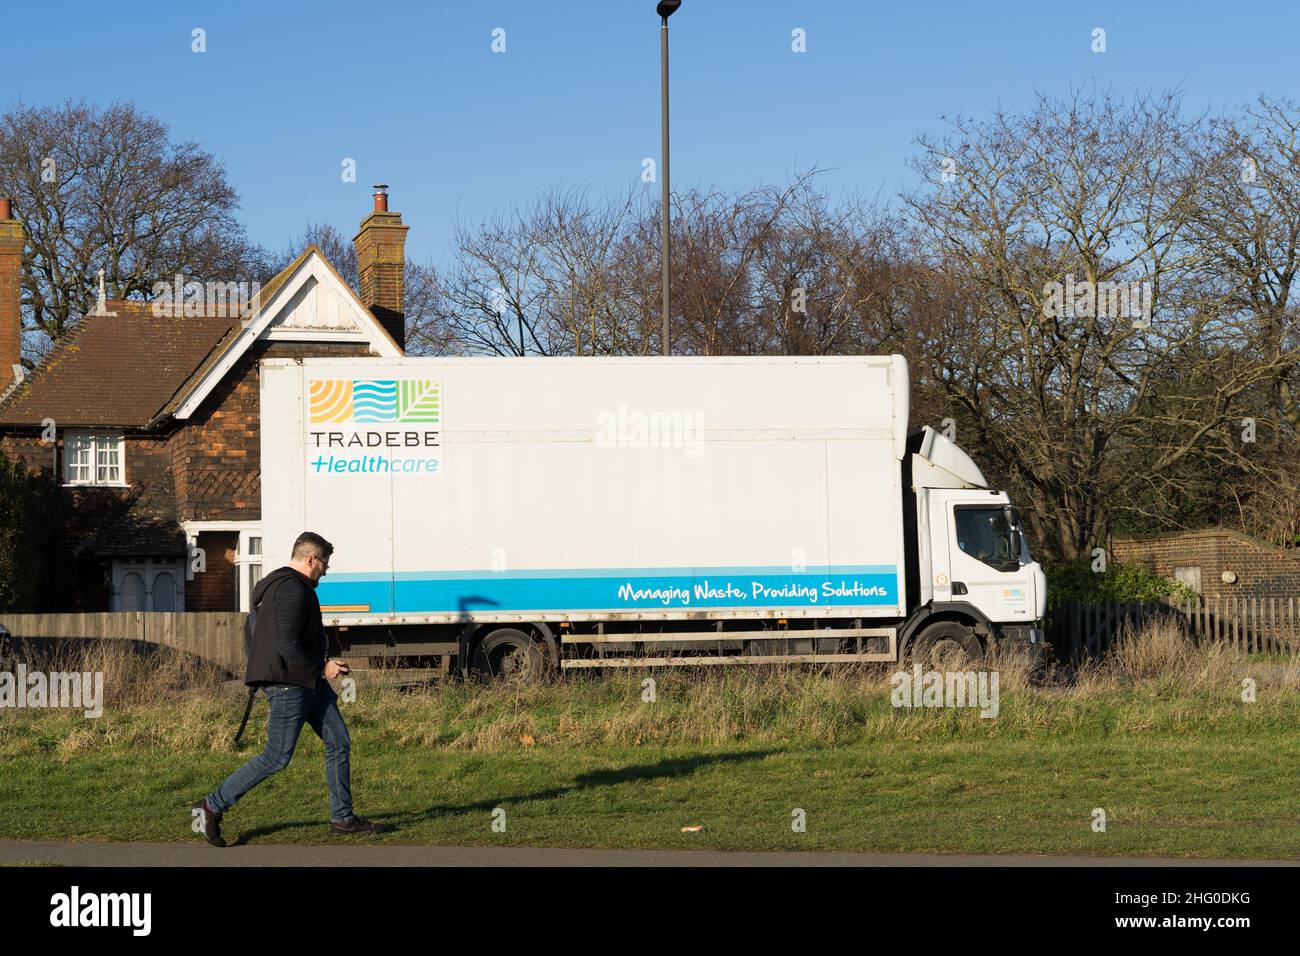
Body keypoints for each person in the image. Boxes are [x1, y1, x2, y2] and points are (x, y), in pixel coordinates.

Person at [191, 531, 389, 846]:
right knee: (277, 757)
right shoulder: (292, 590)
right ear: (311, 559)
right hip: (289, 685)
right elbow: (287, 645)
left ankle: (342, 818)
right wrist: (323, 666)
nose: (325, 570)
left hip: (308, 682)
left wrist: (323, 666)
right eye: (324, 564)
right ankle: (210, 805)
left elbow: (294, 641)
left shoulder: (286, 587)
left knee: (338, 742)